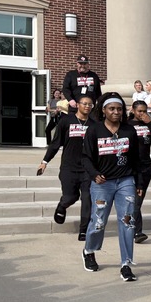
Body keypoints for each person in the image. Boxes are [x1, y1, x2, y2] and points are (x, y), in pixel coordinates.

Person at [81, 93, 143, 279]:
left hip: (125, 181)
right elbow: (85, 157)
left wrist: (139, 181)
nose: (116, 112)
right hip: (102, 183)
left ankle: (126, 263)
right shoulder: (94, 130)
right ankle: (89, 250)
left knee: (127, 221)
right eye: (112, 108)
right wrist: (94, 174)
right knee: (98, 221)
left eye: (119, 109)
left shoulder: (129, 131)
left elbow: (136, 159)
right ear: (103, 110)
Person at [39, 96, 96, 240]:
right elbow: (55, 143)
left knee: (87, 198)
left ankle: (84, 230)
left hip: (88, 169)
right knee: (71, 196)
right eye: (84, 104)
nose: (87, 106)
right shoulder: (66, 121)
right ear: (77, 105)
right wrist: (45, 161)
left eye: (90, 104)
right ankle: (62, 205)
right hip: (69, 167)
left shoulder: (95, 124)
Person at [129, 99, 151, 243]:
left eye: (144, 111)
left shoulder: (149, 124)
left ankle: (134, 229)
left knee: (137, 201)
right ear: (133, 110)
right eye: (139, 111)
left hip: (146, 167)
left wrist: (150, 123)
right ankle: (136, 231)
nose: (142, 114)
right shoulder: (127, 125)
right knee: (135, 200)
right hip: (131, 167)